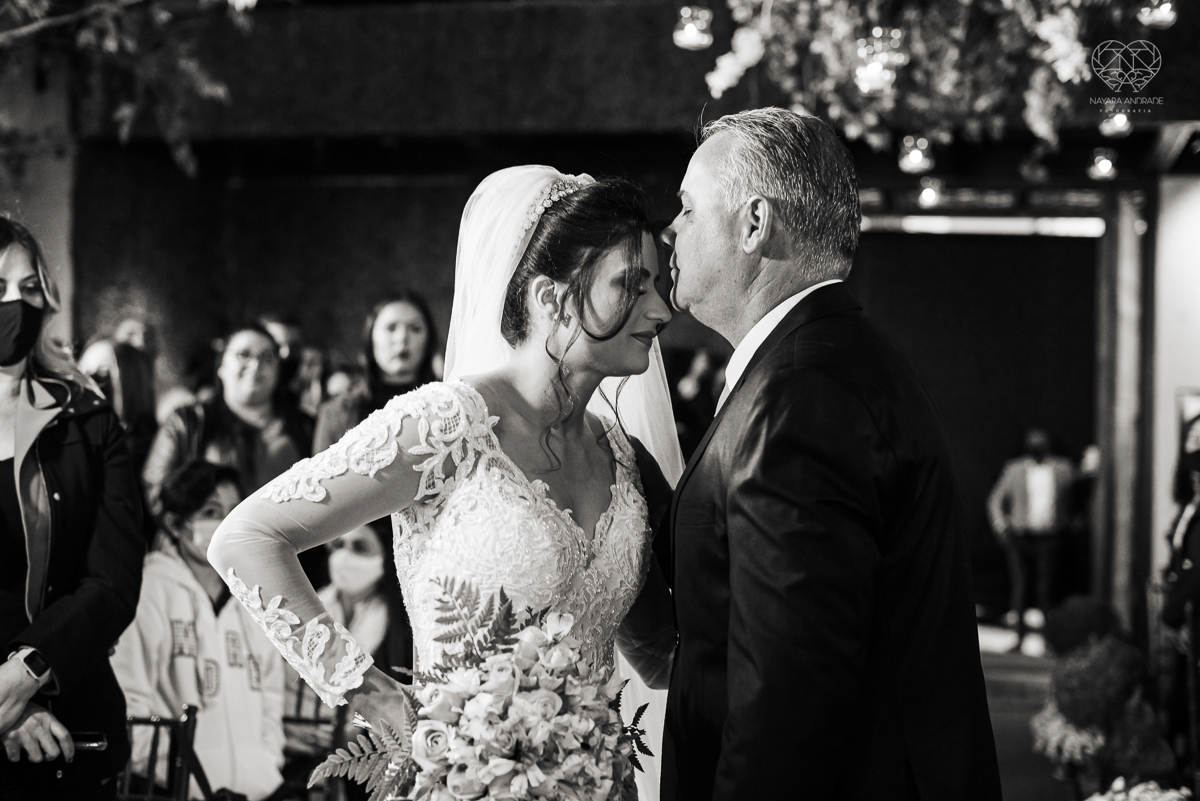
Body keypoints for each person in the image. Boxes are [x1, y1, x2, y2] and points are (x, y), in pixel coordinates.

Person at [208, 167, 682, 801]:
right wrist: (374, 694)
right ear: (553, 299)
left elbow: (656, 652)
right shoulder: (447, 426)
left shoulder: (624, 459)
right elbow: (246, 539)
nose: (661, 310)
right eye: (632, 285)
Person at [658, 108, 1001, 800]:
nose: (670, 230)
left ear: (754, 224)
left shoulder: (798, 397)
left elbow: (787, 703)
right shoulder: (823, 359)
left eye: (689, 209)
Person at [0, 217, 144, 800]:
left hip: (69, 723)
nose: (15, 301)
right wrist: (9, 709)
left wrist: (26, 671)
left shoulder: (86, 418)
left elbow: (113, 578)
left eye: (29, 288)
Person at [111, 461, 285, 801]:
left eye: (235, 511)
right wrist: (172, 777)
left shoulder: (256, 593)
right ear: (175, 524)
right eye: (210, 511)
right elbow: (129, 702)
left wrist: (266, 764)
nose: (226, 523)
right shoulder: (149, 589)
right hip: (172, 791)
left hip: (256, 792)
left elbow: (271, 696)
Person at [142, 324, 321, 583]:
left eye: (266, 357)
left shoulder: (304, 427)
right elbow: (157, 488)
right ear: (221, 366)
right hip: (201, 567)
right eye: (243, 355)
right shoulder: (190, 422)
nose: (256, 364)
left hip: (285, 569)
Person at [282, 523, 412, 800]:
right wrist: (289, 730)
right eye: (338, 545)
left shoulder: (401, 626)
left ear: (385, 556)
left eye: (359, 547)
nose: (344, 556)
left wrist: (356, 730)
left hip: (366, 766)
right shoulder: (307, 610)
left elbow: (402, 699)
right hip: (291, 757)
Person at [312, 293, 439, 453]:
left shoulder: (444, 404)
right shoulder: (338, 411)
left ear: (429, 339)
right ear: (371, 337)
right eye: (391, 328)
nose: (402, 338)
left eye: (415, 328)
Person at [988, 427, 1077, 641]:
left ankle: (1048, 638)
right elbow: (995, 499)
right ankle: (1018, 636)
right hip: (1021, 536)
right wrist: (1001, 525)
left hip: (1049, 535)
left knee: (1046, 588)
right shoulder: (1015, 469)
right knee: (1021, 585)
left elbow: (1078, 484)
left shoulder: (1062, 468)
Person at [78, 337, 158, 479]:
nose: (86, 383)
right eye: (81, 372)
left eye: (102, 373)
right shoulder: (71, 443)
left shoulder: (150, 451)